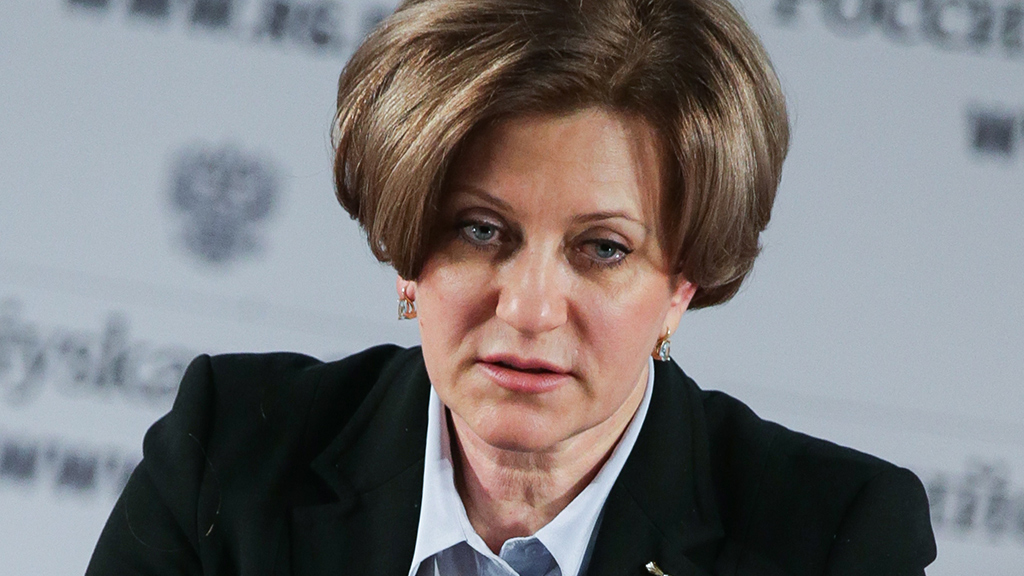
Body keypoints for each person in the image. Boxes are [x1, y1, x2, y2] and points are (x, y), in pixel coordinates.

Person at [86, 0, 936, 574]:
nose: (528, 309)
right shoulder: (230, 454)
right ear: (407, 249)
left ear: (682, 283)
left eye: (602, 248)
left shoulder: (835, 539)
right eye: (481, 230)